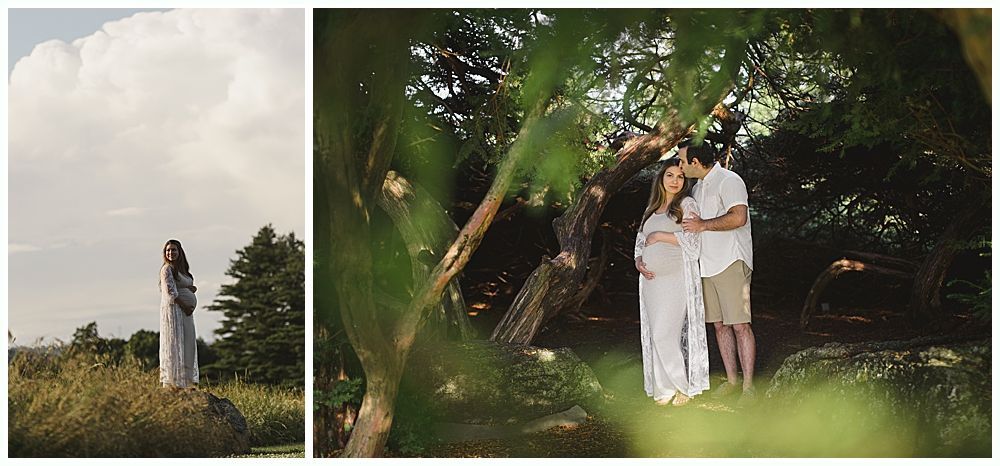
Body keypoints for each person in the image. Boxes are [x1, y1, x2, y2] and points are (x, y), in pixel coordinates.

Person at [678, 141, 756, 403]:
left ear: (695, 162)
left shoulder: (729, 180)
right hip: (706, 266)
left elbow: (739, 217)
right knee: (719, 326)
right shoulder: (697, 188)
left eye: (683, 161)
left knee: (740, 325)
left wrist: (703, 225)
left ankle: (749, 388)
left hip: (730, 261)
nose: (680, 166)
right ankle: (732, 382)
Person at [634, 157, 710, 406]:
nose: (675, 181)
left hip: (676, 279)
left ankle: (683, 387)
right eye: (670, 175)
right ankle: (664, 389)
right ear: (661, 178)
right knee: (656, 335)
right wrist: (638, 261)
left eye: (680, 176)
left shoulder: (687, 204)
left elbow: (693, 242)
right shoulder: (652, 208)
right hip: (651, 283)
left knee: (664, 333)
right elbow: (640, 241)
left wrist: (660, 235)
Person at [159, 239, 199, 388]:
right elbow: (170, 293)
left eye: (174, 250)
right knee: (176, 345)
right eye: (168, 250)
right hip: (176, 313)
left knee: (188, 344)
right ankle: (175, 382)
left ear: (180, 252)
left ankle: (187, 382)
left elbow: (182, 286)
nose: (171, 252)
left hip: (186, 315)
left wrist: (191, 290)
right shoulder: (167, 269)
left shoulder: (183, 271)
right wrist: (186, 306)